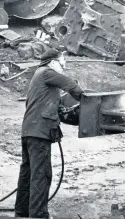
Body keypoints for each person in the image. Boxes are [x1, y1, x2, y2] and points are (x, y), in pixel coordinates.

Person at [14, 48, 84, 218]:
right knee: (41, 174)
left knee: (28, 172)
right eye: (62, 63)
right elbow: (70, 84)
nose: (64, 66)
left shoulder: (39, 77)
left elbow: (50, 104)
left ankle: (22, 211)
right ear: (53, 62)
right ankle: (38, 215)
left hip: (29, 130)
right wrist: (86, 98)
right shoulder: (47, 72)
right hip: (39, 132)